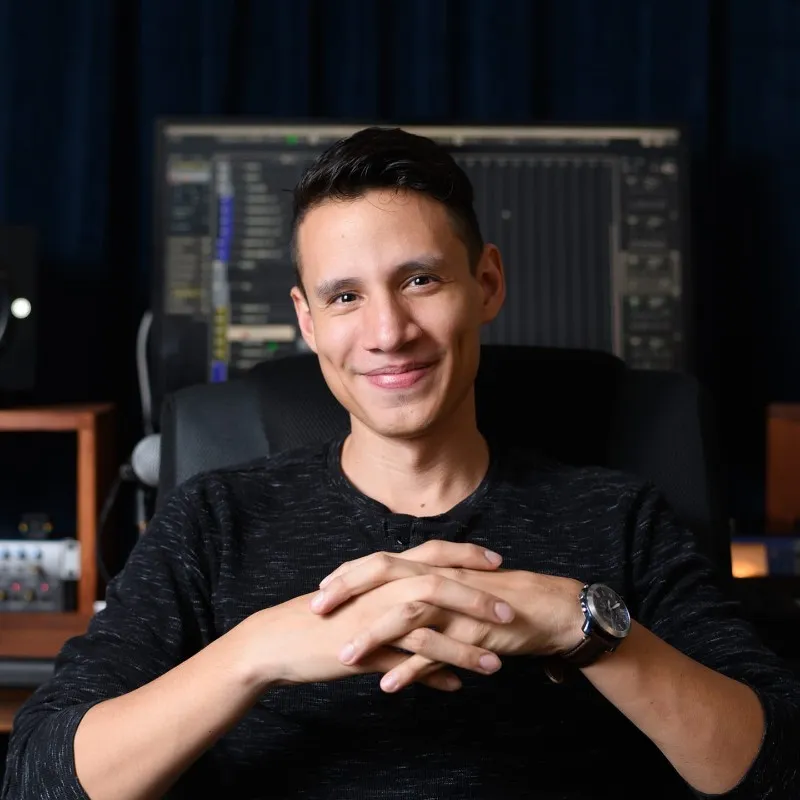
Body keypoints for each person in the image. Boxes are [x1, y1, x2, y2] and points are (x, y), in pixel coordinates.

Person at [3, 127, 800, 800]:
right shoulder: (215, 520)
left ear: (486, 283)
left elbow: (780, 767)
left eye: (419, 280)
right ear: (307, 321)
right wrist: (255, 653)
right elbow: (39, 776)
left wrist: (581, 626)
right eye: (345, 297)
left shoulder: (618, 517)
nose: (388, 332)